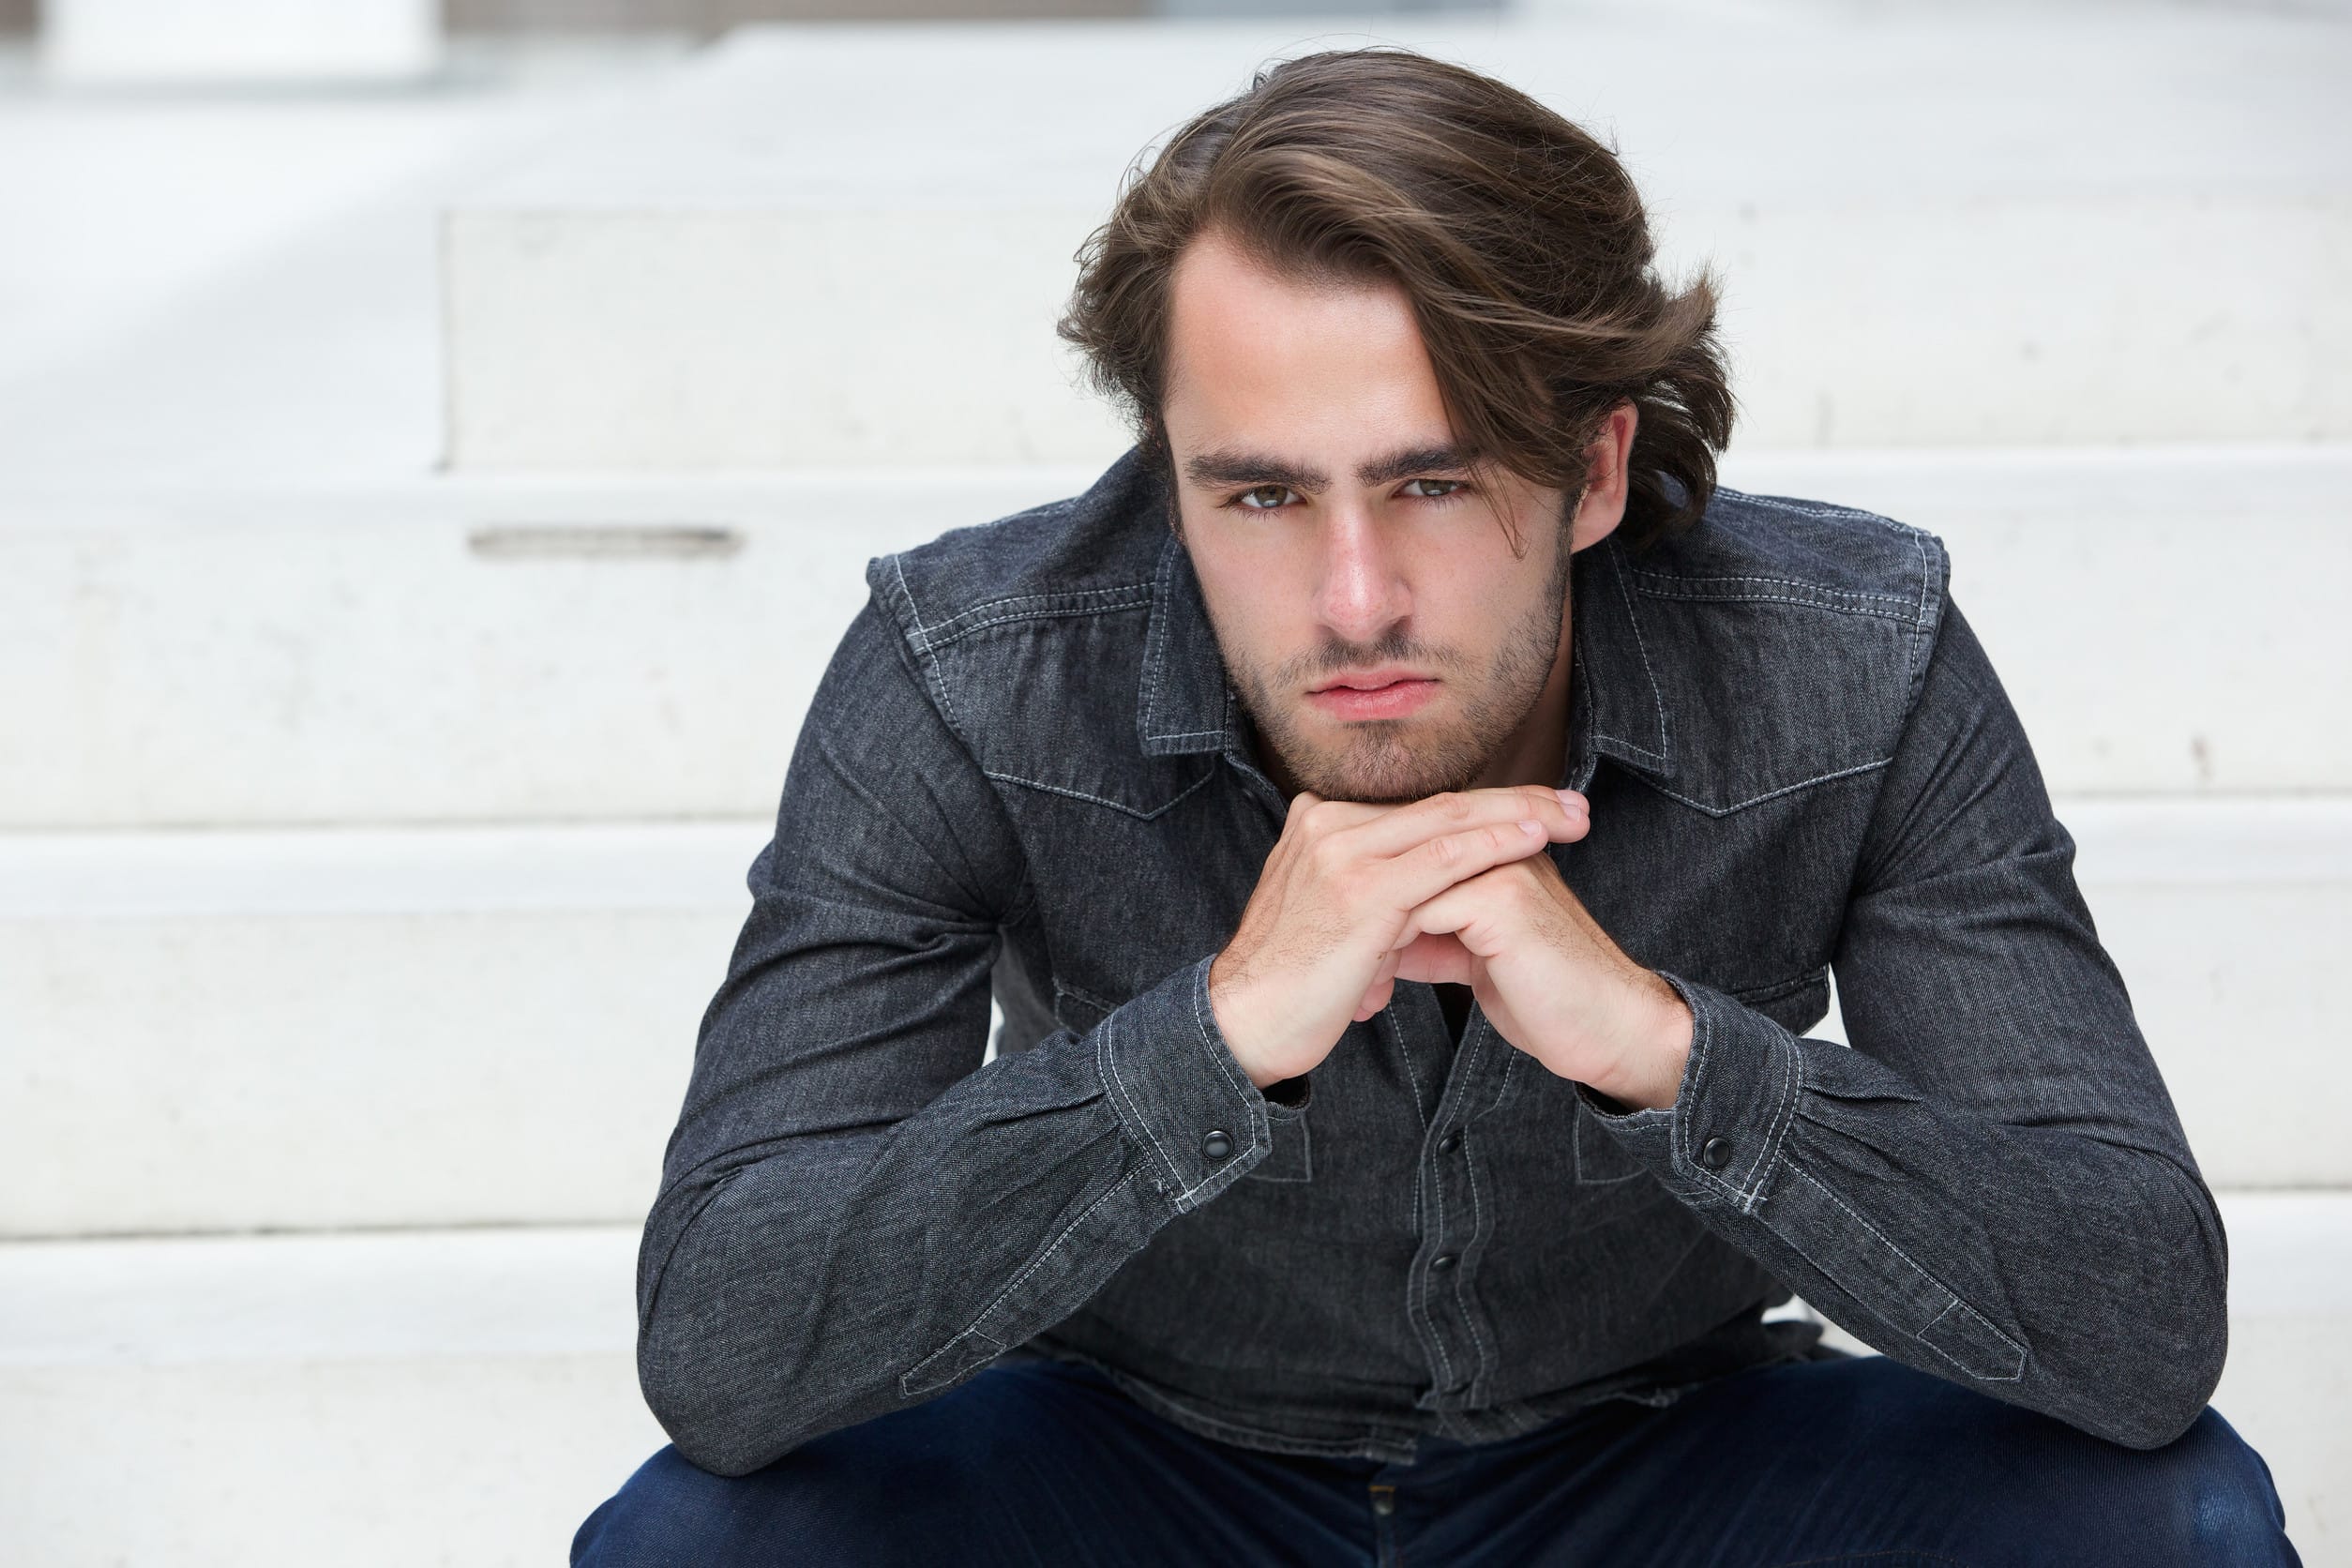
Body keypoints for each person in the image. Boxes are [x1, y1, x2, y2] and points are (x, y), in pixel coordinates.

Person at [571, 46, 2298, 1567]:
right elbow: (725, 1343)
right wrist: (1215, 1038)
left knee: (2170, 1525)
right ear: (1170, 477)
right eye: (1257, 494)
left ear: (1597, 469)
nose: (1352, 598)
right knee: (702, 1543)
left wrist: (1669, 1051)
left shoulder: (1849, 666)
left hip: (1670, 1460)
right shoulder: (971, 675)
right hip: (1129, 1461)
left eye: (1436, 481)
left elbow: (2136, 1323)